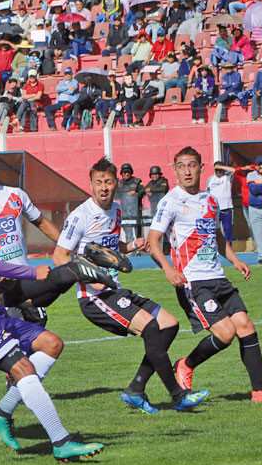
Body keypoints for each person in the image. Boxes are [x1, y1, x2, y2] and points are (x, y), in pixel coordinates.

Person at [0, 172, 105, 460]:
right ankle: (61, 442)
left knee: (51, 343)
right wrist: (30, 272)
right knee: (24, 369)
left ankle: (0, 412)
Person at [54, 157, 209, 413]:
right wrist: (89, 275)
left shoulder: (115, 210)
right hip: (95, 297)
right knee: (150, 328)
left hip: (114, 290)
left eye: (108, 182)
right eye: (98, 182)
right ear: (91, 184)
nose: (104, 187)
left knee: (169, 325)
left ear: (116, 183)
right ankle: (178, 395)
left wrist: (133, 245)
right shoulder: (80, 216)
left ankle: (136, 389)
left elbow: (113, 251)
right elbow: (60, 256)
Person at [148, 146, 262, 403]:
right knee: (225, 333)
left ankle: (259, 391)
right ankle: (185, 365)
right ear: (175, 170)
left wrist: (235, 260)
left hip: (219, 277)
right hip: (193, 282)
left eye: (192, 165)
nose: (187, 171)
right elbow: (153, 241)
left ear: (201, 168)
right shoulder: (171, 201)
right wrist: (168, 269)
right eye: (182, 166)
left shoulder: (210, 199)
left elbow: (218, 237)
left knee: (245, 325)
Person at [0, 151, 61, 324]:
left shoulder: (15, 194)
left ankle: (27, 304)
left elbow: (41, 222)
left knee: (38, 326)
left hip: (26, 277)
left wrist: (65, 245)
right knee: (11, 337)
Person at [207, 162, 236, 242]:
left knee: (228, 230)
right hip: (214, 209)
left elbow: (234, 170)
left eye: (220, 170)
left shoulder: (227, 177)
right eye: (217, 170)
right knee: (213, 230)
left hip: (226, 208)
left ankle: (229, 249)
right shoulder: (210, 179)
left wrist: (221, 166)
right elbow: (207, 193)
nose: (218, 172)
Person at [117, 163, 145, 241]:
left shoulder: (137, 181)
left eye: (128, 172)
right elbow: (116, 195)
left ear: (131, 172)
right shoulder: (119, 184)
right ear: (121, 173)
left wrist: (136, 194)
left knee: (137, 228)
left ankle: (139, 247)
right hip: (124, 210)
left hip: (136, 209)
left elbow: (143, 191)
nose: (126, 174)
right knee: (127, 228)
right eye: (124, 172)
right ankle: (129, 245)